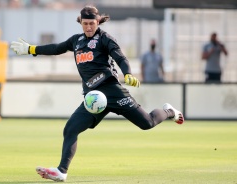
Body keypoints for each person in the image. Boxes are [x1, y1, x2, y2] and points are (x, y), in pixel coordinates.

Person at [10, 5, 184, 182]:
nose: (88, 27)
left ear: (98, 21)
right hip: (93, 98)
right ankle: (62, 171)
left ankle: (169, 111)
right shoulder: (76, 41)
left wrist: (128, 73)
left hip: (112, 91)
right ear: (81, 23)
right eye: (85, 23)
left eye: (92, 23)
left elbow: (120, 57)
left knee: (147, 123)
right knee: (70, 129)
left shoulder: (105, 39)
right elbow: (56, 48)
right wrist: (31, 49)